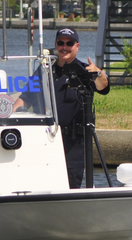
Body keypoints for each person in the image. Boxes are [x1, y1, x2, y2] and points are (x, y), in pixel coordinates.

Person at [13, 27, 110, 188]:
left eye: (69, 43)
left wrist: (98, 73)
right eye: (61, 43)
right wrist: (9, 116)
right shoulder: (44, 71)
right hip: (45, 140)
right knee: (41, 185)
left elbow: (103, 87)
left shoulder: (85, 71)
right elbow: (25, 99)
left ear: (77, 46)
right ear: (56, 45)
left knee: (70, 186)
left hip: (73, 143)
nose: (64, 47)